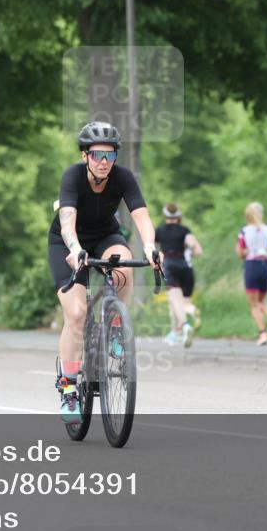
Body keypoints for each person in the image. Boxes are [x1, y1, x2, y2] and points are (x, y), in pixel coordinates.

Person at [48, 121, 162, 423]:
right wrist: (74, 249)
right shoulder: (72, 176)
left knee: (124, 265)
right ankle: (69, 388)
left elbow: (141, 216)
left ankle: (115, 327)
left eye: (110, 156)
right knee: (75, 314)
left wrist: (150, 247)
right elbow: (67, 221)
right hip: (67, 242)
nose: (103, 162)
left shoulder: (123, 177)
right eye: (97, 155)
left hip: (105, 236)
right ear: (85, 155)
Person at [156, 202, 203, 347]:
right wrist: (189, 249)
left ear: (165, 215)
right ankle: (176, 331)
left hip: (170, 265)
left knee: (174, 299)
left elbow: (154, 249)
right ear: (179, 216)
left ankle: (184, 325)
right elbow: (197, 250)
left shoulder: (160, 230)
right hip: (185, 267)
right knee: (179, 302)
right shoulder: (184, 230)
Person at [237, 202, 267, 346]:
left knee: (254, 304)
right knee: (262, 300)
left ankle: (262, 333)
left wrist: (247, 251)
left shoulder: (244, 231)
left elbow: (240, 252)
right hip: (266, 266)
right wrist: (266, 248)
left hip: (252, 265)